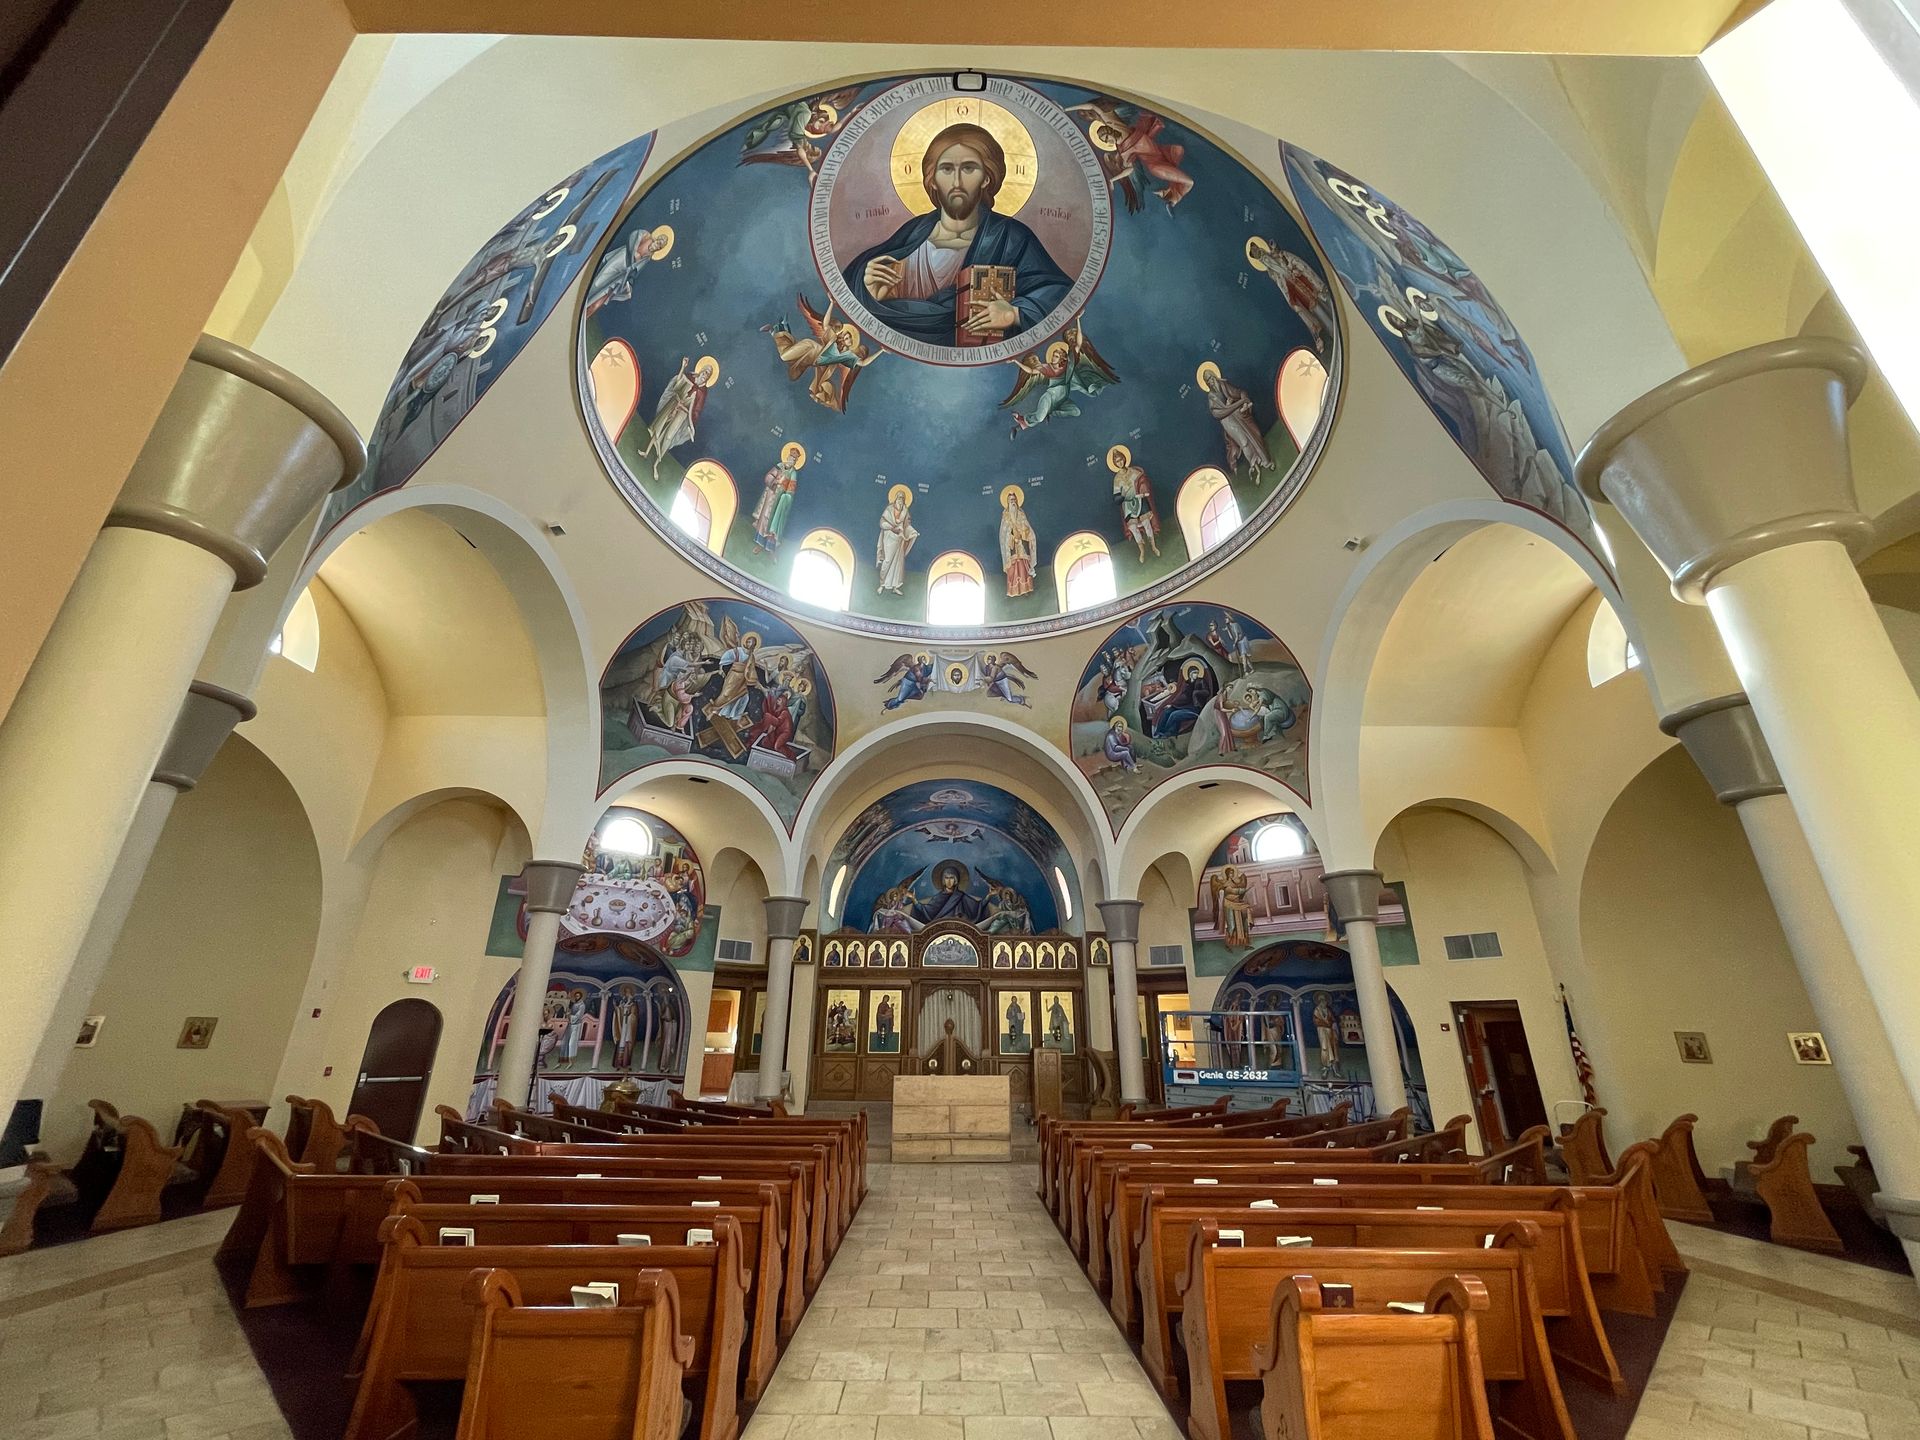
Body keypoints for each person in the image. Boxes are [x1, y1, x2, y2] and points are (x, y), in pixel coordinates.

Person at [844, 123, 1073, 347]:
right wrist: (869, 294)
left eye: (969, 168)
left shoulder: (1011, 238)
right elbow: (854, 296)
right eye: (946, 169)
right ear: (932, 179)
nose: (957, 182)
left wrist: (1015, 313)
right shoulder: (911, 234)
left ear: (986, 177)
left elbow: (1060, 293)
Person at [1199, 362, 1275, 481]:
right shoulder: (1211, 397)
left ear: (1214, 376)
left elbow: (1238, 392)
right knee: (1244, 442)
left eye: (1210, 378)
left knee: (1255, 434)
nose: (1210, 381)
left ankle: (1266, 461)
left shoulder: (1223, 385)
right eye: (1207, 380)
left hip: (1239, 416)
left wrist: (1244, 398)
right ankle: (1255, 462)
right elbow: (1218, 413)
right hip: (1228, 422)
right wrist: (1238, 403)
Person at [911, 864, 988, 924]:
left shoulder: (961, 896)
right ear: (943, 880)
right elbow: (927, 911)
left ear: (955, 880)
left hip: (960, 927)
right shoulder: (938, 897)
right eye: (946, 878)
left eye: (951, 878)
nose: (949, 881)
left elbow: (977, 907)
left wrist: (989, 896)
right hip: (941, 928)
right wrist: (914, 900)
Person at [876, 488, 918, 594]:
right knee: (887, 560)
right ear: (895, 498)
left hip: (900, 539)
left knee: (898, 563)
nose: (901, 500)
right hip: (889, 537)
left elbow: (907, 525)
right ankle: (882, 584)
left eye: (903, 498)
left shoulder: (905, 511)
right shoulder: (889, 509)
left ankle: (895, 586)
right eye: (899, 497)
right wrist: (892, 527)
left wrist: (912, 532)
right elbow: (882, 522)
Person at [999, 488, 1036, 598]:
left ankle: (1026, 589)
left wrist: (1021, 533)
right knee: (1013, 567)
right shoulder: (1005, 515)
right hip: (1011, 547)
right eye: (1010, 500)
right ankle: (1013, 591)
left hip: (1021, 543)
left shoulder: (1020, 513)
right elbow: (1003, 532)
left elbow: (1026, 527)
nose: (1012, 502)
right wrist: (1011, 537)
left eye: (1014, 499)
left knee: (1023, 566)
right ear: (1007, 501)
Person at [610, 986, 640, 1069]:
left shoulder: (633, 1003)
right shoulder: (623, 1002)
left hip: (629, 1026)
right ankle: (618, 1063)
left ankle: (626, 1063)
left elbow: (634, 1015)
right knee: (621, 1043)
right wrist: (616, 1007)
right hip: (622, 1026)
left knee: (627, 1043)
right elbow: (619, 1011)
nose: (627, 994)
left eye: (628, 992)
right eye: (626, 992)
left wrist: (631, 1016)